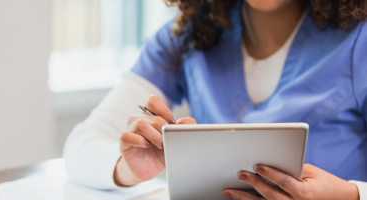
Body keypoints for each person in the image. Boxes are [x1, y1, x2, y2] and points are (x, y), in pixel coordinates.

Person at [63, 0, 367, 199]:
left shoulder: (359, 40)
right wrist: (131, 169)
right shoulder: (187, 35)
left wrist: (348, 194)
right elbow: (81, 146)